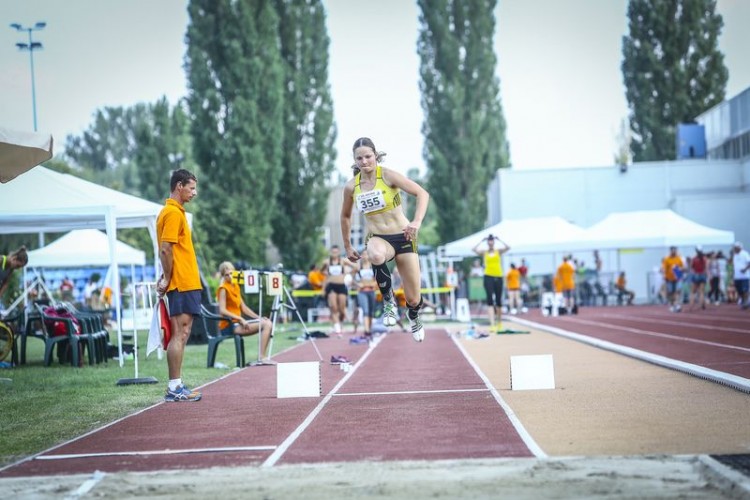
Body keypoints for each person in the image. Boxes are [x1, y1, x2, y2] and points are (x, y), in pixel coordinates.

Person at [340, 137, 430, 342]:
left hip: (404, 236)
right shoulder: (351, 187)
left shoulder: (388, 176)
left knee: (414, 297)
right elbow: (345, 216)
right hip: (378, 237)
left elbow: (421, 193)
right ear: (354, 160)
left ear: (375, 155)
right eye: (359, 158)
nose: (364, 162)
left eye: (368, 156)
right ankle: (388, 302)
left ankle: (413, 314)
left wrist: (416, 222)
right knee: (375, 253)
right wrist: (347, 245)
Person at [156, 168, 202, 403]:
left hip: (184, 282)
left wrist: (166, 276)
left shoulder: (173, 212)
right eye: (191, 187)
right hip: (181, 283)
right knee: (180, 334)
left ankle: (177, 385)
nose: (194, 192)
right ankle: (174, 387)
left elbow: (166, 250)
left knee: (182, 334)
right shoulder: (172, 213)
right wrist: (166, 278)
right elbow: (165, 249)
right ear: (179, 186)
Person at [216, 261, 274, 364]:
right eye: (226, 275)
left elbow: (244, 308)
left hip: (237, 323)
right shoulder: (223, 289)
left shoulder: (235, 286)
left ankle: (262, 357)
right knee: (266, 325)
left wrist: (259, 317)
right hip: (228, 325)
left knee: (267, 322)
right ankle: (262, 357)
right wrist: (241, 319)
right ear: (222, 276)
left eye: (231, 273)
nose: (229, 276)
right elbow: (222, 310)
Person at [472, 234, 511, 330]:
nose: (490, 242)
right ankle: (492, 324)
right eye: (489, 240)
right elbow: (473, 249)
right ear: (487, 242)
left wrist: (500, 239)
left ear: (493, 242)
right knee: (490, 300)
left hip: (498, 276)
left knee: (498, 301)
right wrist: (481, 241)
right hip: (488, 276)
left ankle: (499, 323)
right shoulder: (484, 252)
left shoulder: (498, 251)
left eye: (492, 240)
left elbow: (508, 247)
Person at [321, 245, 354, 336]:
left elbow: (356, 267)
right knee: (334, 307)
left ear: (339, 252)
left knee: (342, 310)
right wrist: (324, 287)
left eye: (336, 252)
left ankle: (340, 321)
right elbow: (321, 271)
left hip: (341, 286)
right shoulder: (327, 262)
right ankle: (337, 328)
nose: (334, 253)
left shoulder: (343, 261)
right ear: (330, 252)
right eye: (333, 252)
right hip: (331, 286)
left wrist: (348, 273)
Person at [354, 252, 377, 338]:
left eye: (367, 254)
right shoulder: (358, 267)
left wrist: (373, 284)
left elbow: (377, 279)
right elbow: (353, 279)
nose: (365, 256)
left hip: (371, 291)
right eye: (363, 254)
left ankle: (369, 329)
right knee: (365, 310)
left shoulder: (373, 266)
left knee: (371, 311)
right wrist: (358, 284)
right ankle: (366, 330)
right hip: (362, 292)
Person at [662, 246, 685, 313]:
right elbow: (664, 268)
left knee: (678, 290)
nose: (674, 252)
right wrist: (664, 275)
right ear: (670, 251)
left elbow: (683, 267)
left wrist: (681, 269)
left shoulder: (678, 258)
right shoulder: (667, 259)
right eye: (673, 251)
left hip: (678, 278)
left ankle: (677, 304)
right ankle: (672, 305)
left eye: (675, 250)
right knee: (671, 292)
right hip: (669, 278)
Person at [731, 241, 750, 309]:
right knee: (739, 290)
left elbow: (749, 262)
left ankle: (746, 302)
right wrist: (733, 275)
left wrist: (745, 269)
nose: (734, 249)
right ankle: (744, 300)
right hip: (737, 276)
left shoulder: (745, 254)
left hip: (744, 276)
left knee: (745, 290)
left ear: (739, 247)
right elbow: (734, 266)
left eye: (736, 247)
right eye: (734, 248)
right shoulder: (735, 255)